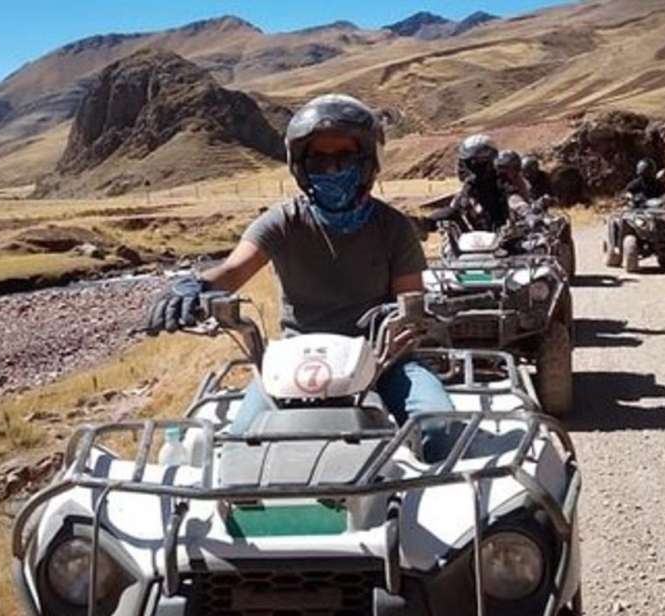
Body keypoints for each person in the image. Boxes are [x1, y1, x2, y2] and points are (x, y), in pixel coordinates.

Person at [145, 94, 452, 459]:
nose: (333, 169)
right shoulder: (282, 221)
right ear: (301, 166)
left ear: (367, 162)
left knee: (438, 430)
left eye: (345, 158)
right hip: (296, 364)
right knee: (241, 448)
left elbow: (408, 311)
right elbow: (231, 270)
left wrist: (388, 343)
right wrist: (195, 288)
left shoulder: (393, 227)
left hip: (383, 359)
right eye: (319, 159)